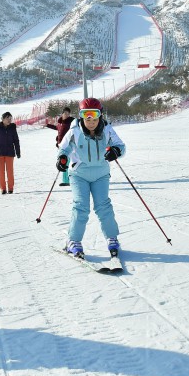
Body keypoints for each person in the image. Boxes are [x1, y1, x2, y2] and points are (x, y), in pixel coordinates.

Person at [56, 97, 126, 258]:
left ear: (100, 115)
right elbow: (63, 148)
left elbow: (121, 146)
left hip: (101, 174)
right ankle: (73, 241)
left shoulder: (107, 129)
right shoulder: (74, 131)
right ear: (80, 116)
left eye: (93, 114)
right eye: (85, 114)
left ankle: (112, 238)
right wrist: (62, 159)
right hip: (79, 175)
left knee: (103, 206)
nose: (90, 119)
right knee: (81, 206)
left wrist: (115, 151)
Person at [0, 112, 21, 194]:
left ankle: (10, 188)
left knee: (10, 171)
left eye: (10, 118)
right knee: (1, 171)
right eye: (7, 118)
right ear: (3, 119)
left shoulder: (12, 128)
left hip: (10, 153)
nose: (9, 120)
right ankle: (3, 188)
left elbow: (16, 141)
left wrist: (18, 151)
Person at [45, 107, 75, 186]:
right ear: (62, 114)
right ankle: (65, 180)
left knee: (66, 161)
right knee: (62, 162)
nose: (67, 115)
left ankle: (68, 180)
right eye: (65, 113)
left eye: (68, 114)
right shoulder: (60, 123)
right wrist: (48, 125)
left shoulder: (70, 123)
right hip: (60, 145)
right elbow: (57, 128)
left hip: (67, 145)